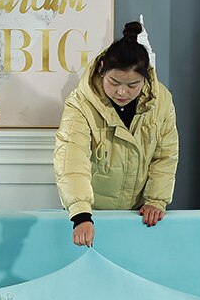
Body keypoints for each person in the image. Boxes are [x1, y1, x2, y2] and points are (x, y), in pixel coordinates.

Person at [53, 19, 179, 247]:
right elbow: (71, 159)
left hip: (139, 216)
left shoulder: (161, 101)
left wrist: (156, 200)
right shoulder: (80, 104)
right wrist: (81, 214)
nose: (122, 92)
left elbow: (165, 156)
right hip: (91, 214)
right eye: (114, 82)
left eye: (132, 85)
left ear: (145, 78)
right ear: (102, 69)